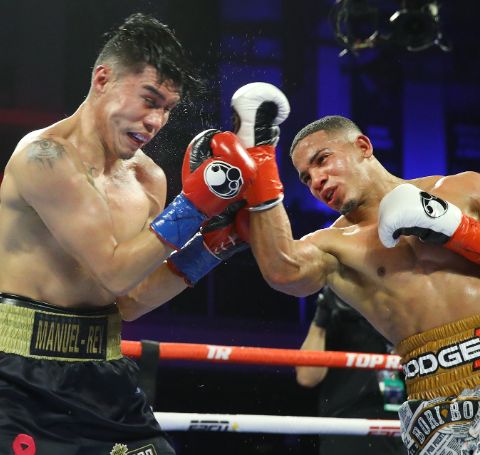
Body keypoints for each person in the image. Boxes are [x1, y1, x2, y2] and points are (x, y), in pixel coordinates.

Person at [0, 13, 256, 455]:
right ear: (103, 79)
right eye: (149, 99)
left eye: (168, 109)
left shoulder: (148, 179)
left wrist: (216, 243)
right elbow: (115, 272)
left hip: (105, 374)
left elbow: (131, 299)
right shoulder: (42, 160)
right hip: (19, 379)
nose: (156, 121)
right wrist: (196, 205)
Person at [230, 83, 480, 454]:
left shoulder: (461, 188)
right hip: (438, 396)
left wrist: (456, 227)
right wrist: (259, 160)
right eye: (305, 177)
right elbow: (284, 272)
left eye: (322, 160)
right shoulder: (332, 245)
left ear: (363, 147)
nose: (316, 180)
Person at [296, 286, 405, 454]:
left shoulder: (398, 321)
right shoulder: (338, 318)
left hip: (397, 426)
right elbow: (307, 377)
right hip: (346, 426)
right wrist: (321, 316)